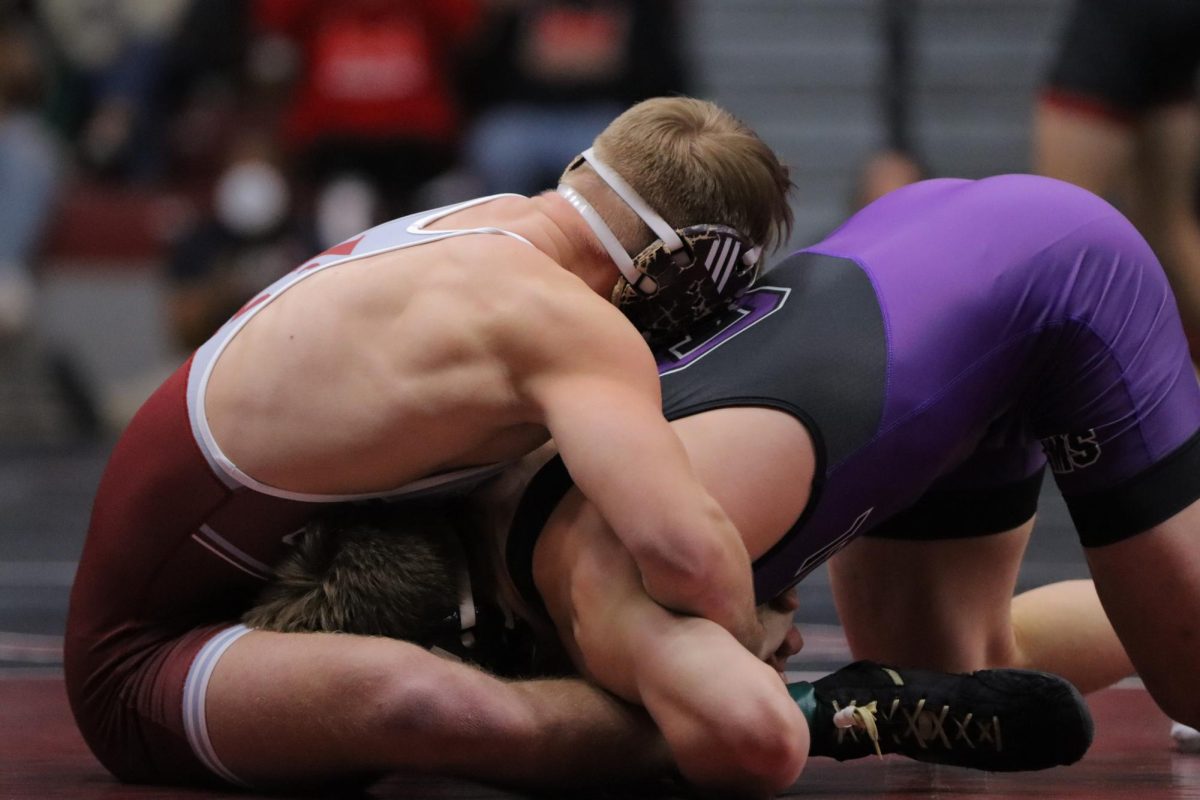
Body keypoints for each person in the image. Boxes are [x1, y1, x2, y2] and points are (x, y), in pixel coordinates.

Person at [64, 96, 795, 789]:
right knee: (429, 704)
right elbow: (686, 553)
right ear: (688, 272)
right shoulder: (568, 327)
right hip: (140, 669)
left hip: (255, 584)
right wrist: (744, 648)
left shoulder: (490, 220)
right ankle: (736, 730)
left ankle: (704, 717)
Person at [490, 173, 1198, 782]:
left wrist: (798, 700)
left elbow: (749, 736)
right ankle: (1157, 608)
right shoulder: (515, 487)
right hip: (913, 259)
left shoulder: (627, 579)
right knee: (949, 669)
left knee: (1190, 683)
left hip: (1064, 275)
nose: (795, 646)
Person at [1034, 0, 1200, 361]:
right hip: (1177, 21)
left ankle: (1087, 382)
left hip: (1120, 22)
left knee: (1062, 233)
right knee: (1169, 228)